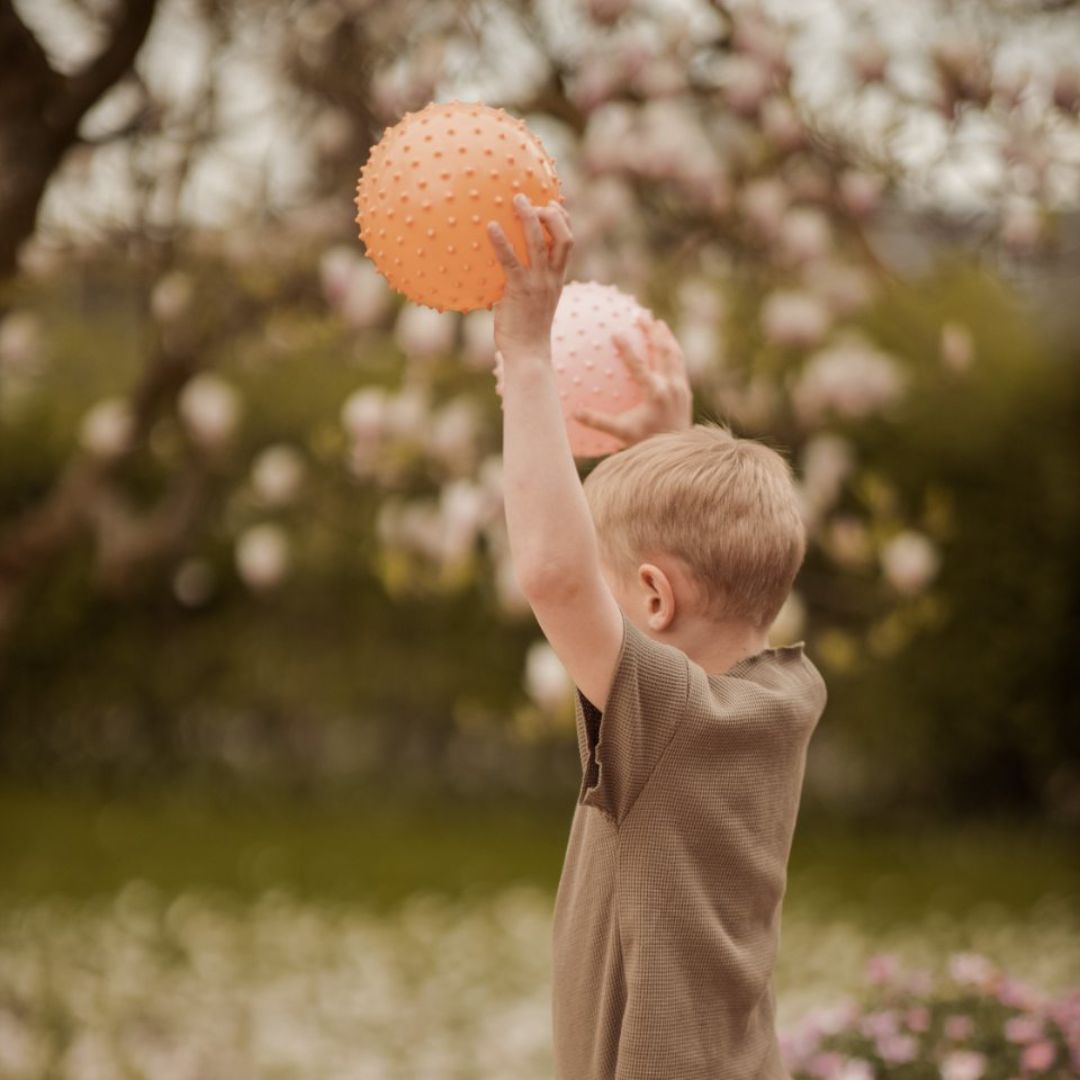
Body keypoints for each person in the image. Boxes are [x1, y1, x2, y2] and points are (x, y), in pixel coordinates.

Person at [486, 194, 827, 1080]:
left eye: (615, 590)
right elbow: (678, 575)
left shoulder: (671, 716)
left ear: (652, 598)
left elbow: (554, 576)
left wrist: (526, 357)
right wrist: (668, 453)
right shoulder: (779, 696)